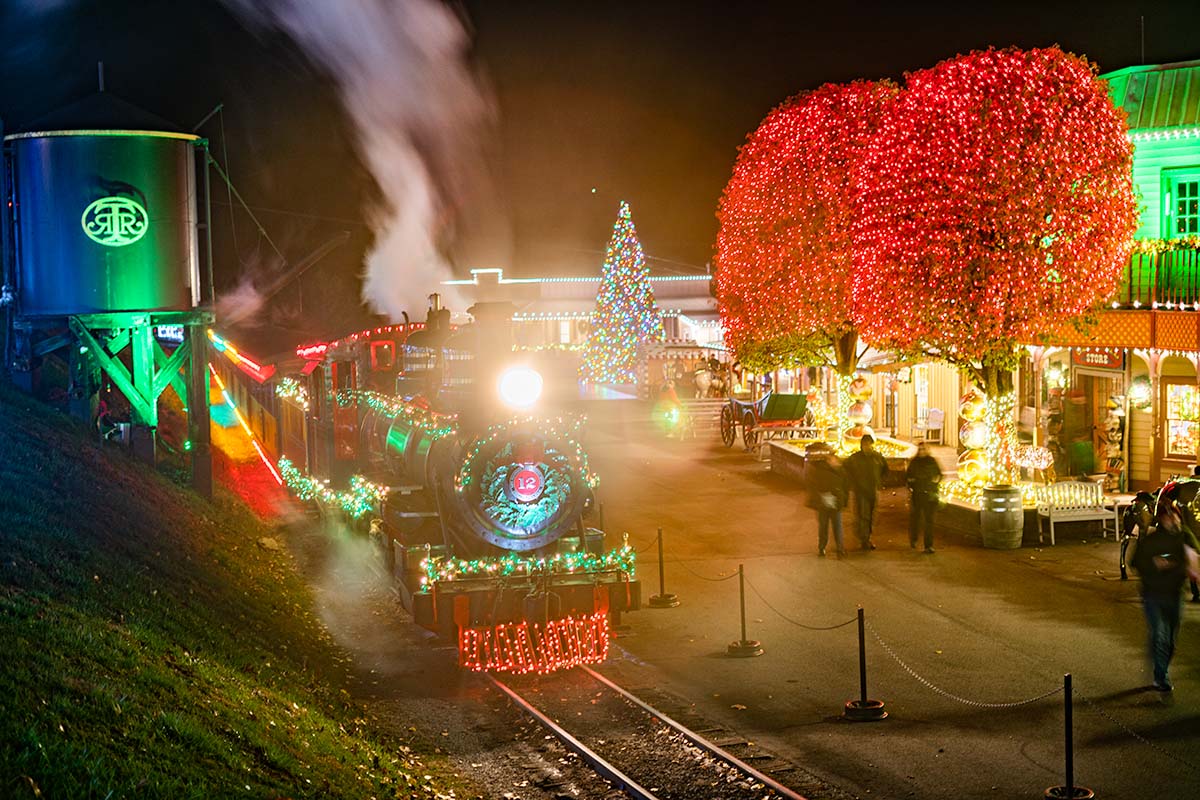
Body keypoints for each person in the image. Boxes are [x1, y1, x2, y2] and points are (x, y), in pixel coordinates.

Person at [1130, 505, 1200, 691]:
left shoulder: (1184, 537)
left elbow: (1194, 556)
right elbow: (1135, 561)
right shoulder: (1151, 539)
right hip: (1153, 594)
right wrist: (1155, 564)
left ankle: (1161, 667)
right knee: (1160, 635)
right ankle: (1161, 676)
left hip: (1175, 594)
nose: (1172, 520)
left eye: (1175, 517)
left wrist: (1187, 564)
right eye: (1168, 517)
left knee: (1170, 639)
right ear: (1161, 519)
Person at [845, 433, 888, 550]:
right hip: (860, 491)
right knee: (863, 515)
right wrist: (853, 483)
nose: (867, 446)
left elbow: (885, 469)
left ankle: (866, 536)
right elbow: (846, 470)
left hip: (873, 490)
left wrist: (879, 482)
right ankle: (864, 539)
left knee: (871, 515)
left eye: (869, 444)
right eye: (865, 444)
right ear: (861, 445)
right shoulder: (855, 458)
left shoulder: (877, 457)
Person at [805, 444, 847, 559]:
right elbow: (814, 483)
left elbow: (844, 482)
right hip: (823, 502)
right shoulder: (819, 468)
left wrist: (836, 467)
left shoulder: (838, 468)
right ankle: (822, 547)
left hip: (835, 501)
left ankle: (840, 549)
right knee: (824, 526)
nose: (832, 458)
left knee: (837, 526)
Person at [906, 442, 942, 553]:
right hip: (918, 494)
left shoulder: (932, 461)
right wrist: (912, 484)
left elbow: (939, 474)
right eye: (920, 449)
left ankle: (928, 545)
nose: (922, 451)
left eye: (924, 449)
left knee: (929, 521)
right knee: (916, 519)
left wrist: (935, 481)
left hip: (930, 495)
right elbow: (908, 477)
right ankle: (914, 539)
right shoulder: (914, 462)